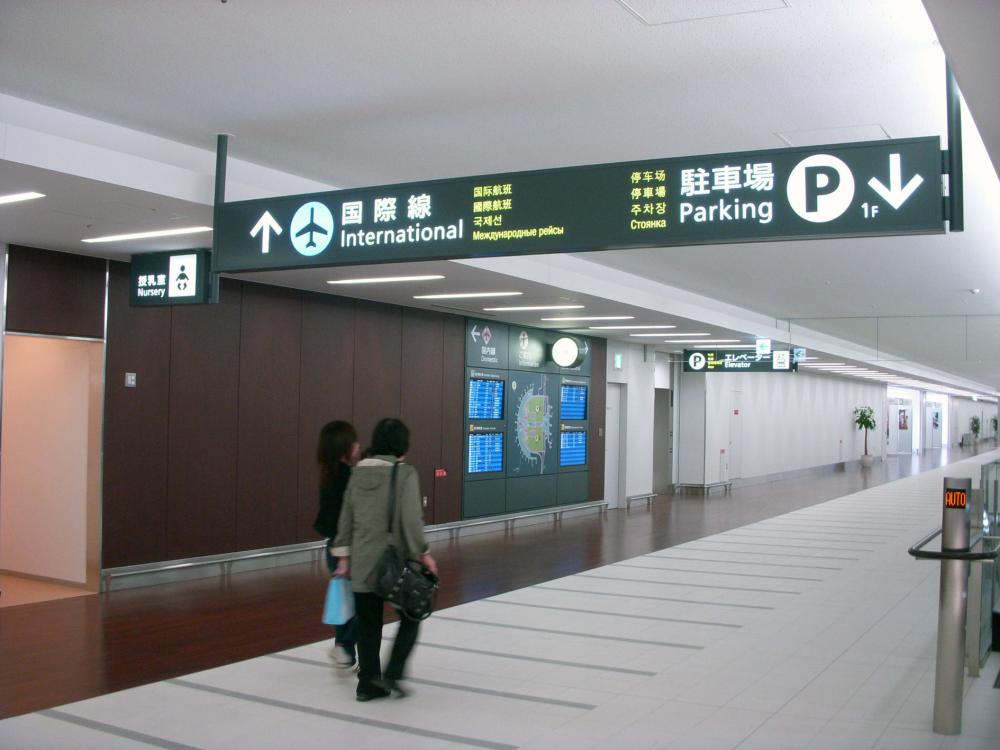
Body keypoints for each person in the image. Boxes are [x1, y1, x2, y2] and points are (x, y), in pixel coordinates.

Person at [333, 418, 438, 702]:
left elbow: (346, 519)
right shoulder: (404, 474)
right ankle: (393, 672)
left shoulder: (356, 474)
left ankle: (367, 683)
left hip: (363, 563)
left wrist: (343, 558)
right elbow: (411, 520)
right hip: (393, 564)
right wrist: (424, 553)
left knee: (368, 625)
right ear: (403, 445)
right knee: (412, 615)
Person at [314, 420, 361, 670]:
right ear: (345, 447)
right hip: (347, 548)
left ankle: (345, 650)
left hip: (332, 546)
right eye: (354, 442)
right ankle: (344, 647)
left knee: (344, 599)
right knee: (360, 603)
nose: (358, 446)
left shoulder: (328, 475)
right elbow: (349, 519)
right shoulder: (348, 477)